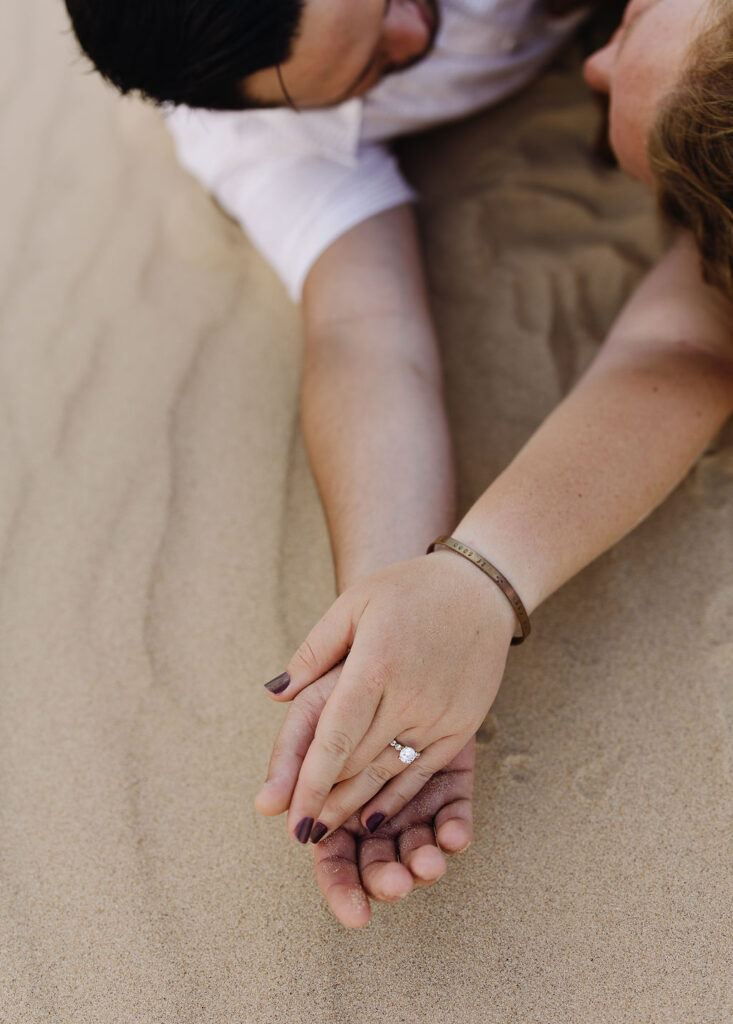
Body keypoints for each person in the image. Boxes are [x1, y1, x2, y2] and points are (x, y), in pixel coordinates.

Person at [61, 0, 733, 928]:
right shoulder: (253, 136)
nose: (419, 40)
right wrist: (391, 639)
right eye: (373, 68)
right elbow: (364, 338)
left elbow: (692, 334)